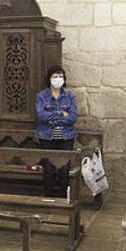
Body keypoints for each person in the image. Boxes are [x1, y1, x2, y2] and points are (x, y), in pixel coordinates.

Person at [35, 66, 78, 198]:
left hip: (66, 138)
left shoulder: (70, 96)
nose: (57, 79)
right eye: (55, 76)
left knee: (64, 169)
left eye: (60, 77)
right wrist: (61, 114)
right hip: (47, 137)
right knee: (48, 169)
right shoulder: (42, 96)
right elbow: (41, 115)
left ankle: (63, 197)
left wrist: (53, 119)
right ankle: (49, 197)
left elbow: (73, 117)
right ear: (49, 79)